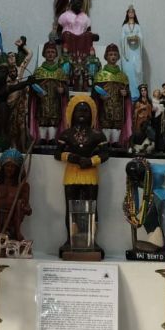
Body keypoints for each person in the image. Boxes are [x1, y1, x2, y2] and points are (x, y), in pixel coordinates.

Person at [54, 94, 109, 258]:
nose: (83, 113)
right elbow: (57, 153)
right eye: (79, 110)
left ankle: (90, 240)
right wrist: (70, 157)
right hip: (71, 175)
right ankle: (71, 239)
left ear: (92, 114)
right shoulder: (66, 134)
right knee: (70, 207)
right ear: (72, 113)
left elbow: (105, 154)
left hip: (90, 175)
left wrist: (91, 161)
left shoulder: (98, 135)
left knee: (91, 207)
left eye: (86, 110)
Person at [0, 149, 32, 253]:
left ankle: (13, 237)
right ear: (2, 167)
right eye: (7, 166)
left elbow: (26, 205)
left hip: (13, 221)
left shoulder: (23, 187)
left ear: (18, 169)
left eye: (13, 166)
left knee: (10, 236)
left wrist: (25, 208)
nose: (9, 169)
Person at [92, 44, 132, 146]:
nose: (113, 57)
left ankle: (115, 143)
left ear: (118, 57)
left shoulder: (123, 76)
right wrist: (100, 96)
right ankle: (105, 143)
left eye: (115, 54)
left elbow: (128, 93)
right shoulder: (100, 75)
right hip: (105, 108)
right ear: (106, 56)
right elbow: (94, 92)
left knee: (117, 126)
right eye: (110, 54)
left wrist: (126, 93)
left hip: (118, 109)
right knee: (106, 125)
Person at [29, 41, 68, 144]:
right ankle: (41, 138)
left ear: (56, 54)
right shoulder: (39, 71)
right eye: (48, 52)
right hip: (42, 101)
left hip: (55, 101)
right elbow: (32, 86)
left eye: (52, 52)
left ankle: (52, 139)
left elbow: (65, 87)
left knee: (54, 120)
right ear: (44, 54)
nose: (50, 54)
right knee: (42, 119)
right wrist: (36, 92)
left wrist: (63, 90)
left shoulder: (60, 71)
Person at [120, 5, 144, 101]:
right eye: (129, 12)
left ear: (134, 14)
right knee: (128, 71)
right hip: (128, 53)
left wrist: (137, 37)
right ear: (127, 14)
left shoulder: (137, 26)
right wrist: (127, 38)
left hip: (136, 52)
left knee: (137, 71)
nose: (131, 14)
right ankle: (128, 94)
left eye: (132, 12)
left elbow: (141, 37)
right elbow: (122, 38)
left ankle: (137, 95)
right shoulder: (124, 26)